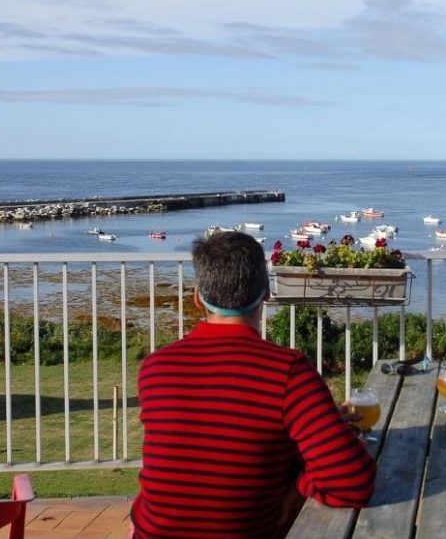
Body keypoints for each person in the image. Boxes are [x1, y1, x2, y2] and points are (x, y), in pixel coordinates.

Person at [131, 231, 376, 539]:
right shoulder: (287, 371)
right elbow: (353, 483)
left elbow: (213, 439)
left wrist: (314, 427)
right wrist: (296, 481)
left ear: (197, 298)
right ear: (267, 292)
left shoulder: (154, 367)